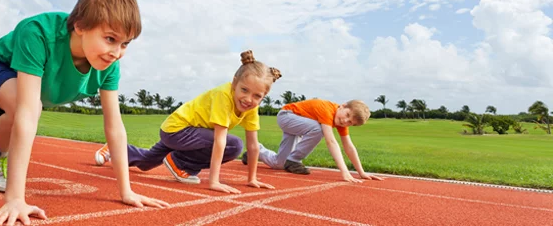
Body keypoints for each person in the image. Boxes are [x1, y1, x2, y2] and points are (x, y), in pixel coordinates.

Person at [0, 0, 170, 225]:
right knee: (27, 109)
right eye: (110, 39)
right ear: (79, 26)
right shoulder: (37, 33)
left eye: (125, 44)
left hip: (29, 91)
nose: (117, 52)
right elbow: (26, 112)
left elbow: (115, 128)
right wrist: (15, 199)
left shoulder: (109, 65)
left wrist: (126, 191)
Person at [95, 50, 281, 194]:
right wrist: (213, 182)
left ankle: (114, 149)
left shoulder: (251, 107)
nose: (249, 99)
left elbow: (254, 145)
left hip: (190, 135)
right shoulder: (224, 95)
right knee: (234, 145)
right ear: (234, 83)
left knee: (146, 162)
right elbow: (220, 140)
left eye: (257, 95)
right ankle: (180, 163)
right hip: (178, 130)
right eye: (244, 90)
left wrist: (252, 178)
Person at [242, 98, 383, 183]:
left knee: (279, 164)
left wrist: (361, 172)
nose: (345, 121)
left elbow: (349, 146)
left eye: (350, 122)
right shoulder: (327, 110)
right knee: (318, 129)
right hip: (287, 116)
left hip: (298, 124)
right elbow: (331, 142)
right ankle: (294, 160)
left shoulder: (340, 122)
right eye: (347, 115)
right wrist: (344, 172)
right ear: (343, 105)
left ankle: (255, 151)